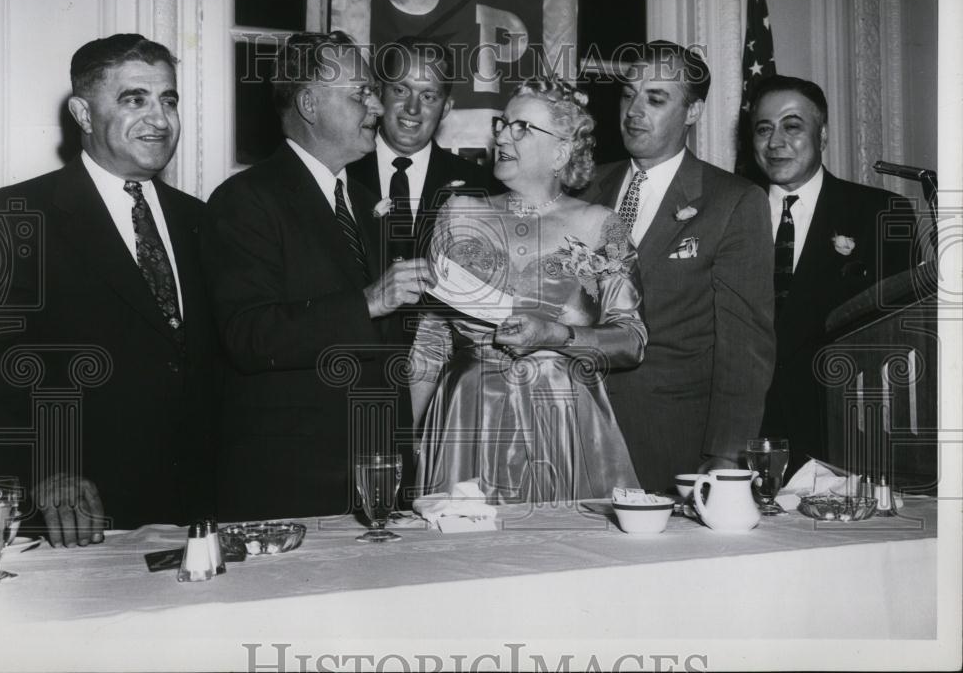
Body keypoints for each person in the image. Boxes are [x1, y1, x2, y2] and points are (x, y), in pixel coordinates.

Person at [0, 34, 219, 544]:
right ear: (84, 114)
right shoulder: (18, 216)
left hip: (199, 510)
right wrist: (47, 470)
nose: (159, 119)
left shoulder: (201, 220)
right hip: (80, 514)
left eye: (169, 100)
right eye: (135, 99)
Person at [203, 31, 432, 520]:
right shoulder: (245, 201)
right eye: (360, 94)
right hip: (290, 483)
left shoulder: (371, 203)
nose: (378, 106)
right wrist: (367, 302)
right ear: (308, 103)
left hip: (377, 473)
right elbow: (249, 335)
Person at [410, 76, 646, 503]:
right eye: (502, 123)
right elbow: (430, 340)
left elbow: (631, 340)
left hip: (563, 420)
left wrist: (556, 336)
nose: (501, 134)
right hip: (467, 418)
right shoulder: (459, 212)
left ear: (560, 150)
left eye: (521, 128)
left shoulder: (601, 226)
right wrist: (413, 440)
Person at [579, 41, 775, 492]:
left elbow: (745, 347)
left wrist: (726, 453)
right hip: (575, 426)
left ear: (693, 112)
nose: (634, 110)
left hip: (668, 440)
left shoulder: (732, 202)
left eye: (656, 98)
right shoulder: (586, 187)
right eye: (629, 94)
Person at [751, 75, 918, 469]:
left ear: (822, 136)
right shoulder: (728, 210)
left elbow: (901, 338)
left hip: (845, 438)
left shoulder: (879, 213)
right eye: (763, 129)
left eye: (792, 127)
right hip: (750, 439)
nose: (775, 142)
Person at [347, 36, 499, 268]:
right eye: (400, 90)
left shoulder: (482, 186)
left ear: (445, 108)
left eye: (428, 97)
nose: (412, 108)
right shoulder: (341, 170)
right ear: (380, 92)